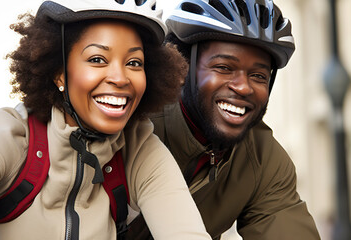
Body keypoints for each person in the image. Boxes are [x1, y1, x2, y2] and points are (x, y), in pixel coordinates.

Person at [0, 0, 211, 239]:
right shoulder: (7, 136)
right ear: (58, 72)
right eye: (97, 59)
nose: (120, 77)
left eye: (134, 62)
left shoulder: (141, 149)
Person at [127, 0, 320, 239]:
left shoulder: (263, 160)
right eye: (223, 67)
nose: (243, 87)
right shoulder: (133, 121)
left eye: (258, 76)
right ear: (183, 67)